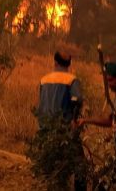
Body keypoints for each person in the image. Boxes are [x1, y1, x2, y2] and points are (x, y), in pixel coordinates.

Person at [38, 51, 85, 191]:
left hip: (45, 129)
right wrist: (75, 119)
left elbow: (41, 104)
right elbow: (77, 100)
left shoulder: (44, 80)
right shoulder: (72, 80)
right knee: (80, 165)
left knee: (51, 166)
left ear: (55, 62)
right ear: (69, 64)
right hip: (65, 129)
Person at [78, 62, 116, 127]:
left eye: (111, 80)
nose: (109, 84)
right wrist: (86, 120)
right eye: (107, 81)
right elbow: (110, 121)